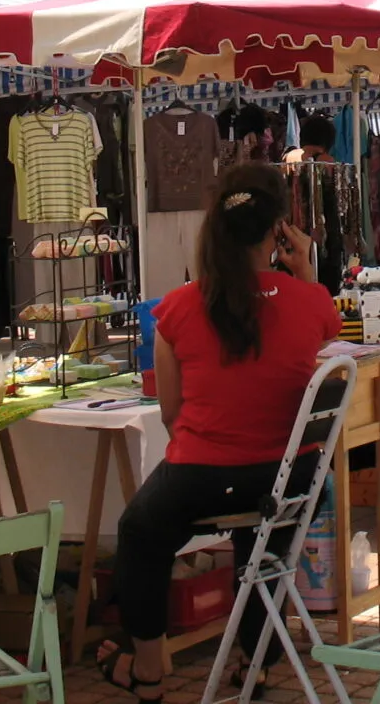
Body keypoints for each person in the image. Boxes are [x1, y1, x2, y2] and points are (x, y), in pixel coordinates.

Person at [98, 163, 339, 699]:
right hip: (288, 479)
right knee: (265, 545)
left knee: (140, 532)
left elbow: (170, 413)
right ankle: (257, 663)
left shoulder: (178, 308)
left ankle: (149, 667)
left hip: (201, 475)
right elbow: (320, 326)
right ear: (278, 229)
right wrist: (304, 268)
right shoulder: (312, 302)